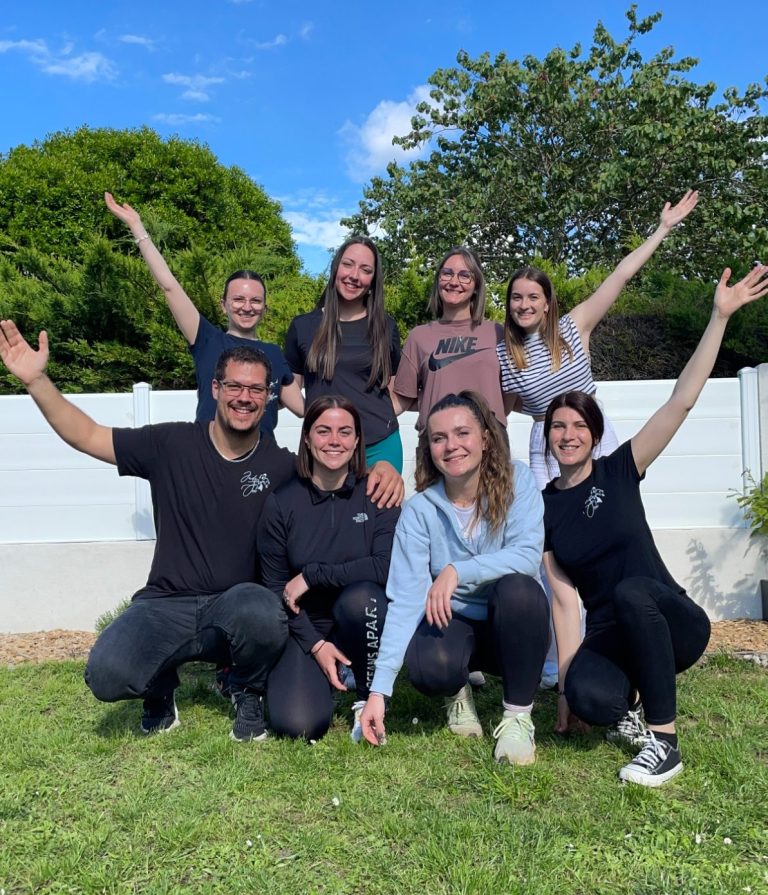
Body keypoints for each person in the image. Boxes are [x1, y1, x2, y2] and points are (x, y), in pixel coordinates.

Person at [0, 327, 294, 741]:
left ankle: (245, 688)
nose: (244, 397)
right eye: (234, 386)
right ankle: (159, 687)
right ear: (215, 388)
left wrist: (382, 468)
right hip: (165, 603)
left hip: (235, 606)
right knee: (107, 675)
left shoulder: (281, 465)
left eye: (255, 389)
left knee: (264, 613)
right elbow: (88, 435)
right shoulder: (170, 443)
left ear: (268, 397)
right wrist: (36, 381)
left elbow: (334, 470)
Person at [542, 263, 768, 786]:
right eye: (558, 426)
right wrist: (565, 691)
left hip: (672, 621)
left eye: (579, 425)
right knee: (588, 694)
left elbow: (681, 401)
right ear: (548, 436)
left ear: (595, 435)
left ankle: (664, 743)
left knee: (632, 591)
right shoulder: (545, 508)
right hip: (611, 633)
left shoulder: (621, 468)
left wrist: (719, 317)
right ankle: (632, 700)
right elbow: (564, 603)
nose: (568, 434)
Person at [359, 391, 550, 765]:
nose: (451, 446)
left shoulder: (519, 481)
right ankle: (458, 693)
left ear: (485, 438)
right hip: (456, 622)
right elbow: (406, 598)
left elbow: (528, 557)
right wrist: (378, 692)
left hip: (510, 625)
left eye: (463, 433)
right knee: (429, 668)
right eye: (439, 438)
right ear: (428, 449)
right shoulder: (419, 510)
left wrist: (458, 570)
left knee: (520, 590)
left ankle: (517, 717)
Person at [497, 190, 699, 488]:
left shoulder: (573, 327)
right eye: (516, 297)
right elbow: (504, 409)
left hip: (592, 429)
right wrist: (539, 409)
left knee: (608, 500)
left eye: (533, 297)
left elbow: (620, 276)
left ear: (547, 303)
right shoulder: (505, 354)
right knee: (553, 514)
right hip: (546, 444)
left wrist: (662, 228)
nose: (524, 305)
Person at [258, 396, 400, 741]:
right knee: (298, 725)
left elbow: (384, 568)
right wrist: (316, 644)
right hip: (308, 626)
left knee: (362, 599)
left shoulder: (377, 493)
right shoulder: (282, 502)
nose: (334, 440)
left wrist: (313, 575)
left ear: (357, 440)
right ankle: (325, 670)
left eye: (344, 432)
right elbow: (277, 587)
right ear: (307, 439)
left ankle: (365, 694)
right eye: (323, 431)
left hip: (363, 618)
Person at [104, 191, 303, 430]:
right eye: (238, 299)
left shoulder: (273, 354)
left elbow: (302, 409)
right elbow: (169, 287)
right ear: (223, 305)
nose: (247, 307)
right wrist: (138, 228)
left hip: (262, 452)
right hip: (209, 451)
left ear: (264, 308)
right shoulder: (207, 340)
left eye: (255, 301)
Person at [284, 237, 403, 470]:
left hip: (379, 448)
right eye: (348, 264)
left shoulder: (386, 327)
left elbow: (397, 383)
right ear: (335, 267)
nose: (354, 275)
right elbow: (290, 383)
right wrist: (310, 413)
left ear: (373, 280)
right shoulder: (303, 326)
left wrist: (384, 414)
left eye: (365, 270)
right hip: (324, 448)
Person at [392, 247, 506, 435]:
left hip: (490, 441)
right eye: (447, 273)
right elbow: (403, 398)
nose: (454, 282)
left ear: (476, 285)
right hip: (437, 442)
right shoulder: (419, 337)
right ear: (438, 280)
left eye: (464, 276)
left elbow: (511, 392)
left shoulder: (496, 333)